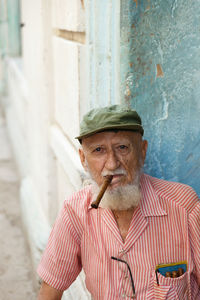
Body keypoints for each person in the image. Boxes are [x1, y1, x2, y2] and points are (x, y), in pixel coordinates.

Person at [37, 105, 200, 300]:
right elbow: (50, 289)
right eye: (98, 150)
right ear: (83, 159)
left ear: (142, 151)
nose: (112, 164)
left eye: (122, 148)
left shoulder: (184, 207)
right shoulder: (75, 211)